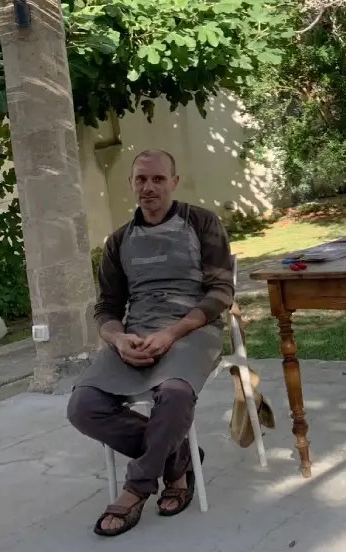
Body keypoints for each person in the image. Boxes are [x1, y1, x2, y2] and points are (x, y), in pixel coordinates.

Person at [67, 149, 234, 537]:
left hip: (192, 331)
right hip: (136, 334)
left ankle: (135, 489)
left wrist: (173, 332)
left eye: (158, 179)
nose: (149, 187)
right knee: (83, 405)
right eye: (141, 179)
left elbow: (221, 292)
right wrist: (117, 337)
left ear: (174, 182)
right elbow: (106, 307)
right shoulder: (119, 241)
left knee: (174, 394)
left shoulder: (202, 223)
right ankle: (177, 459)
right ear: (131, 184)